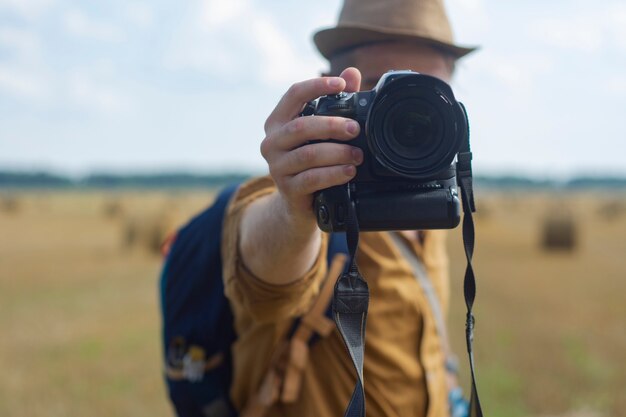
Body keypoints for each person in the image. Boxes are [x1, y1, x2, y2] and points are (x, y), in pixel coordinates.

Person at [220, 0, 477, 416]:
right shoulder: (299, 200)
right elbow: (264, 280)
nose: (407, 117)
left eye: (426, 93)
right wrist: (295, 208)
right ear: (331, 93)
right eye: (379, 92)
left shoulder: (434, 206)